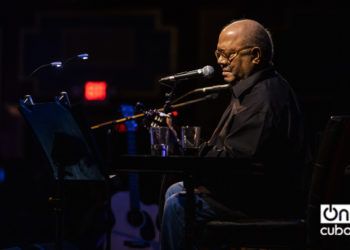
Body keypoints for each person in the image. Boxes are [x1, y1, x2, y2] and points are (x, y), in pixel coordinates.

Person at [160, 18, 310, 250]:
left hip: (264, 201)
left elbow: (236, 162)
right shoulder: (253, 90)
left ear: (256, 55)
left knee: (178, 205)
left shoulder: (264, 99)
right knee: (175, 190)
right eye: (218, 53)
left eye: (229, 55)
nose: (220, 61)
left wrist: (189, 149)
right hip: (251, 192)